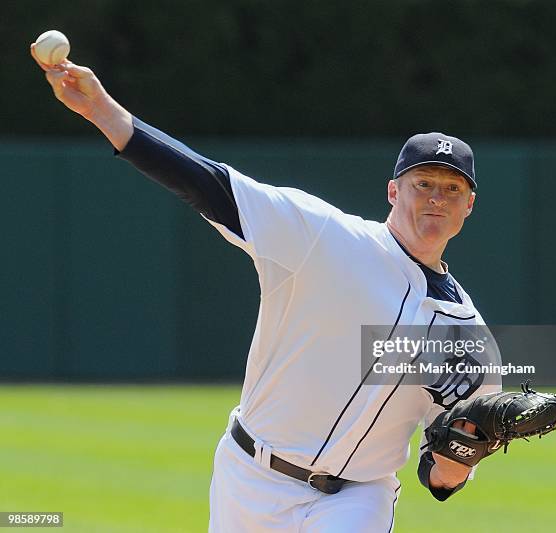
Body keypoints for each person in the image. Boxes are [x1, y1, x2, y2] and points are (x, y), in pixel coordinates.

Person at [32, 50, 501, 532]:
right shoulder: (323, 236)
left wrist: (467, 443)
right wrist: (101, 111)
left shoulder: (468, 334)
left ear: (470, 205)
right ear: (393, 192)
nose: (436, 198)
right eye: (423, 183)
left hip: (356, 499)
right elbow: (207, 184)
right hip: (249, 477)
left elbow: (441, 478)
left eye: (451, 189)